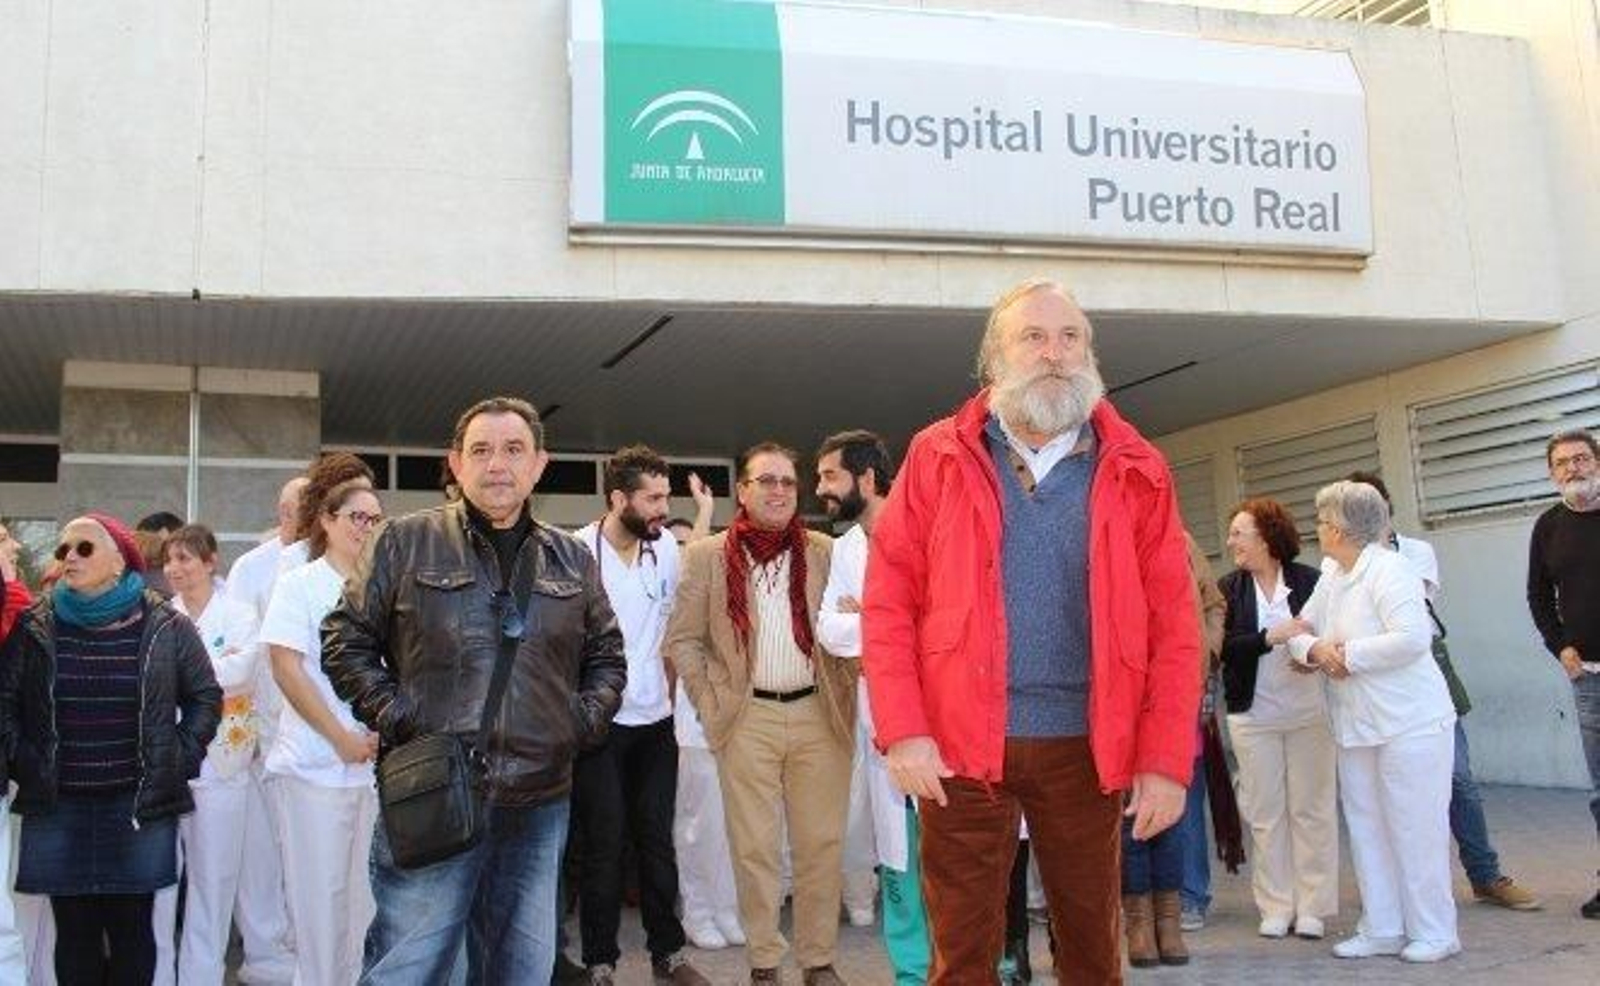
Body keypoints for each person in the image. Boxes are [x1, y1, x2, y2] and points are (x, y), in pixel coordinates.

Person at [863, 278, 1202, 985]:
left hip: (1085, 741)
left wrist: (1166, 757)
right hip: (958, 748)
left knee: (1091, 951)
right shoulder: (937, 456)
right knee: (960, 955)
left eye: (1071, 337)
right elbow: (888, 602)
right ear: (995, 361)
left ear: (1091, 354)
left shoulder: (1138, 467)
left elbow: (1175, 624)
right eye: (1034, 337)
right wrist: (903, 730)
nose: (1055, 353)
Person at [323, 396, 627, 984]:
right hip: (434, 793)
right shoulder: (403, 541)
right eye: (481, 451)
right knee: (409, 967)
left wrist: (579, 721)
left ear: (539, 464)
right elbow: (345, 638)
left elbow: (607, 656)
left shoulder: (571, 558)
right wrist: (402, 716)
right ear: (455, 464)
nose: (497, 465)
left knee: (521, 968)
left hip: (540, 799)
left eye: (514, 450)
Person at [0, 513, 221, 985]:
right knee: (74, 936)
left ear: (120, 561)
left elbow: (205, 697)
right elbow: (5, 703)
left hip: (135, 805)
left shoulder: (166, 624)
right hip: (60, 804)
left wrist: (176, 760)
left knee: (133, 933)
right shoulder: (36, 623)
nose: (69, 558)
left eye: (83, 548)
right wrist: (27, 761)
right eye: (63, 550)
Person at [664, 442, 855, 986]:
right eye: (765, 481)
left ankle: (818, 961)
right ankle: (765, 962)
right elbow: (683, 640)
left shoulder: (826, 552)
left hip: (820, 714)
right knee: (754, 849)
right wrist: (709, 700)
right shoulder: (706, 555)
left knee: (821, 844)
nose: (777, 491)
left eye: (787, 483)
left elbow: (858, 626)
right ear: (742, 491)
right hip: (747, 718)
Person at [1347, 471, 1540, 912]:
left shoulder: (1415, 551)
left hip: (1424, 666)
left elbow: (1406, 604)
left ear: (1385, 506)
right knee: (1382, 785)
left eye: (1369, 504)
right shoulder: (1343, 564)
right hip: (1372, 673)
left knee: (1458, 777)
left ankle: (1485, 875)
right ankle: (1400, 887)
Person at [1284, 481, 1459, 963]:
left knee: (1415, 827)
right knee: (1366, 826)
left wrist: (1347, 655)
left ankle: (1436, 931)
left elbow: (1412, 638)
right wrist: (1316, 649)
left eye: (1321, 522)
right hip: (1356, 724)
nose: (1317, 530)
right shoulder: (1333, 572)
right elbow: (1301, 628)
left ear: (1339, 528)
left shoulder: (1391, 568)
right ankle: (1382, 927)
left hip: (1411, 722)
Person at [571, 446, 709, 985]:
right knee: (604, 843)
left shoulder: (665, 553)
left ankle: (668, 954)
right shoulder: (577, 551)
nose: (660, 509)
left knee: (656, 838)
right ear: (618, 498)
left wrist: (672, 698)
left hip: (655, 722)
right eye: (652, 499)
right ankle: (600, 961)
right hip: (600, 724)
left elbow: (678, 623)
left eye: (665, 497)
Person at [260, 480, 385, 986]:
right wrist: (339, 737)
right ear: (327, 522)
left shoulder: (386, 584)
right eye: (356, 516)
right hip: (315, 766)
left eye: (375, 519)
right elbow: (286, 667)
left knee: (365, 906)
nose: (366, 528)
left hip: (375, 771)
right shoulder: (300, 584)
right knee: (318, 905)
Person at [813, 430, 926, 983]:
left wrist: (872, 615)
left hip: (938, 727)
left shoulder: (925, 527)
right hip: (880, 725)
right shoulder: (847, 548)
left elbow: (938, 621)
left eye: (830, 476)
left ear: (865, 478)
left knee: (956, 857)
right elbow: (830, 630)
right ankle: (911, 972)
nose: (820, 489)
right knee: (898, 858)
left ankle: (981, 965)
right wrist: (888, 621)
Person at [151, 524, 273, 983]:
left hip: (223, 764)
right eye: (169, 560)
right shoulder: (159, 617)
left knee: (213, 884)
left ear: (209, 561)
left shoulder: (240, 614)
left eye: (185, 559)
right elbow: (160, 680)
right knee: (162, 884)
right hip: (167, 765)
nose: (175, 569)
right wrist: (204, 676)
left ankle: (200, 977)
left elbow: (243, 670)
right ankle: (161, 976)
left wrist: (185, 675)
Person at [1218, 498, 1338, 940]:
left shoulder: (1312, 581)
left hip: (1310, 715)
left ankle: (1313, 907)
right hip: (1253, 717)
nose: (1231, 542)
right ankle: (1275, 904)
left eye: (1238, 533)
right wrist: (1272, 636)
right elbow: (1223, 647)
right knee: (1265, 813)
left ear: (1266, 536)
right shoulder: (1228, 588)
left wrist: (1317, 656)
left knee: (1312, 810)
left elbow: (1334, 631)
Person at [1121, 532, 1225, 968]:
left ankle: (1170, 920)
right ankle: (1139, 924)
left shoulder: (1180, 540)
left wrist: (1209, 650)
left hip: (1175, 692)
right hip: (1121, 694)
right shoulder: (1100, 528)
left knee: (1172, 815)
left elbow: (1212, 602)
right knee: (1130, 818)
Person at [219, 475, 307, 983]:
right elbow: (242, 648)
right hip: (265, 733)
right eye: (293, 509)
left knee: (310, 855)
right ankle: (266, 958)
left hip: (324, 739)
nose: (298, 518)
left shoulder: (341, 561)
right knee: (263, 858)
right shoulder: (253, 567)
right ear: (281, 512)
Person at [1525, 428, 1600, 918]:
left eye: (1581, 458)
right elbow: (1538, 596)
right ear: (1552, 474)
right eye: (1562, 463)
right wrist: (1561, 647)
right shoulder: (1548, 527)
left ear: (1597, 462)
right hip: (1589, 677)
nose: (1573, 468)